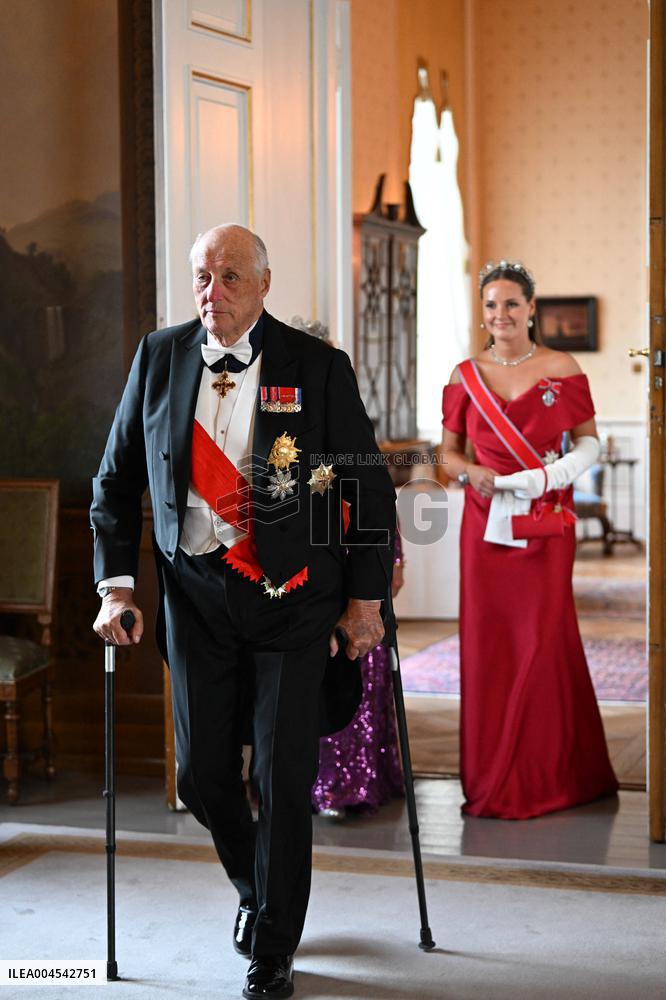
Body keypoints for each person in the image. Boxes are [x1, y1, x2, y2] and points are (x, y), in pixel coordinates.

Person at [90, 224, 396, 999]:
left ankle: (273, 949)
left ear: (263, 283)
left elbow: (367, 493)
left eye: (230, 276)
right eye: (202, 276)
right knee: (201, 777)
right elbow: (116, 483)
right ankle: (258, 891)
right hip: (195, 601)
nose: (212, 292)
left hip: (294, 602)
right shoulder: (158, 356)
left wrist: (364, 600)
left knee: (285, 776)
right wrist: (117, 587)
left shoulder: (317, 367)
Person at [441, 259, 618, 820]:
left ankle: (553, 776)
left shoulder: (561, 367)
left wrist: (549, 477)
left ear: (532, 308)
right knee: (490, 645)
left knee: (543, 639)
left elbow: (590, 443)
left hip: (545, 521)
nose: (501, 315)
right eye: (491, 305)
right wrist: (472, 473)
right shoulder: (463, 375)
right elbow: (447, 455)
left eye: (511, 304)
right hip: (485, 526)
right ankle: (493, 776)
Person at [312, 530, 405, 819]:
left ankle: (362, 781)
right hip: (316, 571)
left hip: (363, 568)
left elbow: (379, 502)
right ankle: (320, 784)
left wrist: (396, 560)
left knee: (364, 671)